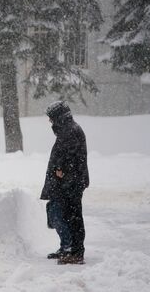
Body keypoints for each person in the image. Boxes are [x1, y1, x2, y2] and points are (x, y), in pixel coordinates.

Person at [41, 101, 89, 265]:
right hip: (67, 182)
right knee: (62, 215)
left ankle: (75, 252)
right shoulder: (67, 130)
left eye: (51, 117)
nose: (50, 121)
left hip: (71, 183)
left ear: (59, 117)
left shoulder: (70, 131)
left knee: (72, 217)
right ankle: (67, 247)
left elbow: (72, 158)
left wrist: (62, 171)